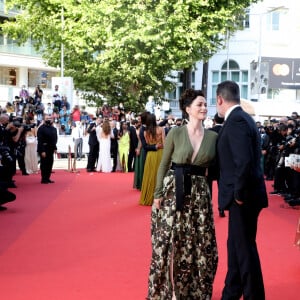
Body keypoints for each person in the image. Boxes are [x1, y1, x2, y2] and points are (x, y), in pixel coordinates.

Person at [147, 89, 218, 299]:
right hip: (173, 191)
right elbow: (164, 164)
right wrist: (157, 194)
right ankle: (165, 292)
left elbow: (216, 169)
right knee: (169, 243)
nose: (204, 108)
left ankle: (194, 291)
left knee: (199, 243)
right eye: (199, 105)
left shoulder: (214, 137)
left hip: (200, 195)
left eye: (205, 104)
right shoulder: (176, 133)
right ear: (188, 109)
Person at [216, 80, 268, 300]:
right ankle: (232, 290)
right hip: (247, 195)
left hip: (243, 197)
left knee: (244, 248)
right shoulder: (245, 118)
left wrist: (237, 193)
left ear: (220, 99)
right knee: (236, 245)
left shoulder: (236, 120)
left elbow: (243, 161)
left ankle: (254, 295)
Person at [37, 114, 58, 184]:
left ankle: (48, 178)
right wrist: (42, 150)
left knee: (50, 163)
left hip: (51, 148)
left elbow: (55, 139)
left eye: (50, 118)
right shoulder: (41, 128)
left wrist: (55, 148)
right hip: (44, 148)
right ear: (44, 119)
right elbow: (40, 140)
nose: (48, 119)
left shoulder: (53, 128)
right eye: (47, 118)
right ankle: (44, 179)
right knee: (44, 164)